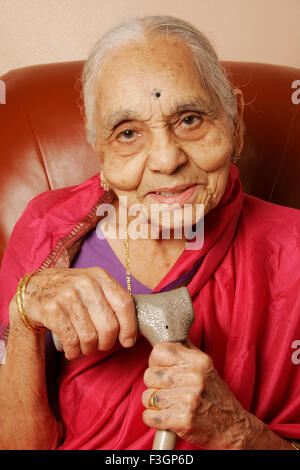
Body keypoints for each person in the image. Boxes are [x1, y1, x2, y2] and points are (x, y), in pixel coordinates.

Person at [0, 15, 299, 451]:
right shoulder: (46, 230)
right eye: (127, 133)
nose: (165, 159)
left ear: (234, 123)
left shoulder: (291, 251)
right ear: (99, 151)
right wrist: (25, 317)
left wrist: (239, 435)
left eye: (191, 120)